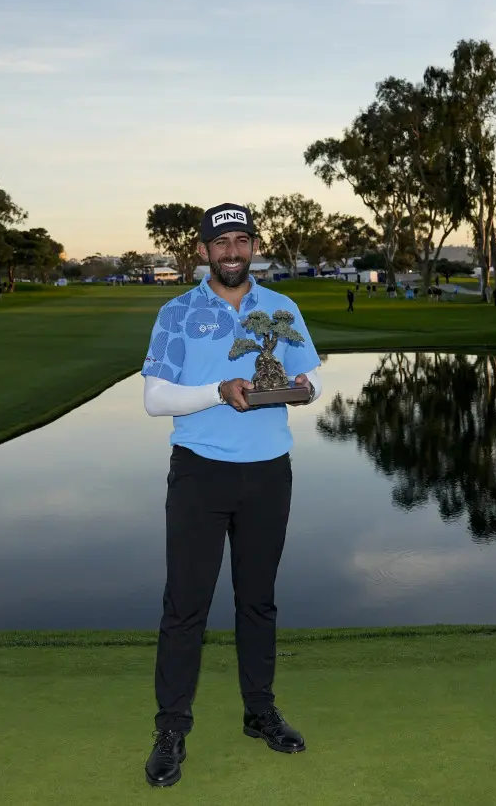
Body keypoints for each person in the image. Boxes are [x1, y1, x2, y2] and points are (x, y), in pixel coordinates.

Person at [140, 202, 323, 788]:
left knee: (258, 600)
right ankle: (171, 729)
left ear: (252, 247)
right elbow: (155, 397)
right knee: (185, 606)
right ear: (203, 251)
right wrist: (219, 391)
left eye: (242, 240)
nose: (233, 251)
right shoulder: (177, 312)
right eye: (222, 243)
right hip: (200, 472)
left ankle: (258, 711)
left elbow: (311, 379)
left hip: (269, 472)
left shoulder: (282, 308)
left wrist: (302, 388)